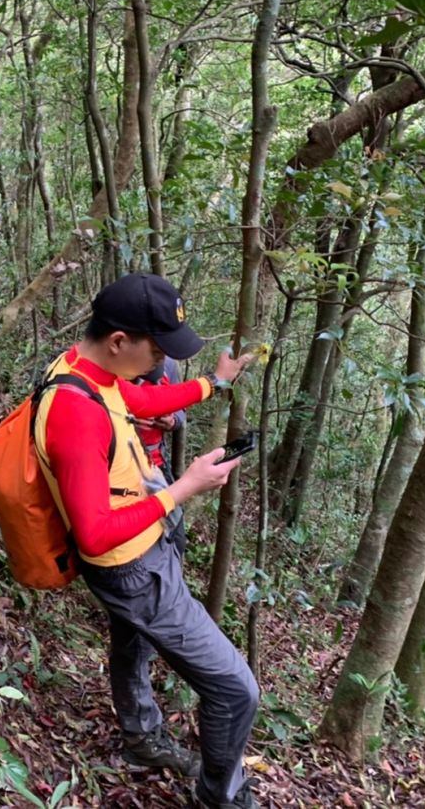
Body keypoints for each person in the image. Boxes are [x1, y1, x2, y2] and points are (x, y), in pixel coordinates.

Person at [33, 272, 260, 809]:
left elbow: (139, 398)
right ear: (120, 341)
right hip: (130, 566)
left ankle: (141, 738)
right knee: (235, 690)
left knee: (132, 640)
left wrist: (214, 384)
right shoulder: (75, 411)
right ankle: (220, 799)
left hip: (139, 550)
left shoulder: (85, 371)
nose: (161, 364)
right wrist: (183, 488)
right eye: (157, 350)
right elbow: (91, 535)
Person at [133, 354, 186, 485]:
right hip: (114, 460)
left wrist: (172, 421)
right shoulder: (112, 359)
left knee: (169, 504)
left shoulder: (168, 364)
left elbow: (180, 406)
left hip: (154, 458)